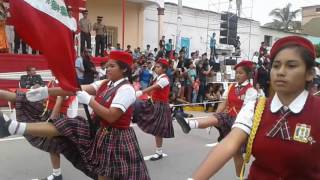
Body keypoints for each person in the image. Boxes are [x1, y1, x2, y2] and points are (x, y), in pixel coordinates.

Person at [0, 51, 150, 180]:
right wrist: (45, 92)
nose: (107, 69)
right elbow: (74, 89)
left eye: (112, 66)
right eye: (107, 65)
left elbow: (111, 116)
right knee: (67, 126)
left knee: (115, 175)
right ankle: (13, 127)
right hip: (100, 132)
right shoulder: (106, 83)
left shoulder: (126, 89)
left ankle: (13, 127)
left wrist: (89, 100)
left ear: (124, 69)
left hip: (117, 139)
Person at [191, 36, 320, 180]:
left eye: (291, 66)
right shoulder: (257, 107)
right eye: (276, 66)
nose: (280, 72)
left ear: (310, 73)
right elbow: (229, 144)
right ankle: (192, 123)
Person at [176, 60, 257, 178]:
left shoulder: (251, 91)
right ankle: (189, 123)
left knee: (237, 154)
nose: (237, 75)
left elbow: (247, 111)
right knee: (217, 117)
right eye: (237, 73)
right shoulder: (231, 87)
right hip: (228, 116)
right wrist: (213, 118)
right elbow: (223, 104)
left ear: (248, 75)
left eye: (241, 73)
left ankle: (239, 177)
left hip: (240, 123)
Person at [134, 58, 174, 161]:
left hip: (160, 105)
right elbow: (153, 90)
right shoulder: (158, 77)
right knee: (143, 115)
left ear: (164, 69)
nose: (155, 68)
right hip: (154, 103)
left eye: (158, 66)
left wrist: (141, 92)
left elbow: (154, 88)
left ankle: (159, 152)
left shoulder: (164, 79)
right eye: (155, 66)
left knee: (158, 130)